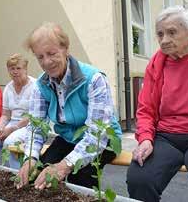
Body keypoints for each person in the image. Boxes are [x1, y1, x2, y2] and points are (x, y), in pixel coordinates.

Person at [16, 22, 122, 190]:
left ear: (65, 49)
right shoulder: (41, 84)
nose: (47, 62)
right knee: (37, 175)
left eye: (51, 53)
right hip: (68, 138)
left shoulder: (94, 79)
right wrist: (30, 158)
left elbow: (98, 134)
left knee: (79, 177)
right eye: (40, 57)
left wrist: (64, 165)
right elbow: (36, 126)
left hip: (103, 140)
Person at [126, 6, 188, 202]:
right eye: (160, 34)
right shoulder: (156, 63)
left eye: (172, 32)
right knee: (139, 179)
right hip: (166, 137)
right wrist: (146, 138)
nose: (164, 40)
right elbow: (145, 109)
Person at [0, 53, 36, 169]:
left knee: (9, 142)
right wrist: (0, 127)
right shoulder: (8, 88)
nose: (15, 71)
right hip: (11, 124)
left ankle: (14, 176)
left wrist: (11, 129)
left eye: (18, 68)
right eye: (12, 69)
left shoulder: (35, 86)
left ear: (25, 69)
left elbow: (33, 116)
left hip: (30, 126)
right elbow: (5, 114)